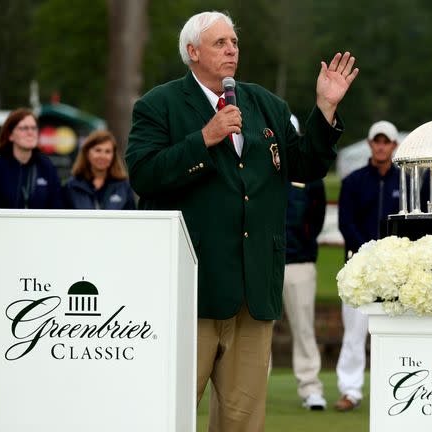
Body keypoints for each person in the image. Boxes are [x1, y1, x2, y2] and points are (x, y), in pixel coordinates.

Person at [125, 11, 357, 431]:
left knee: (242, 422)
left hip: (254, 291)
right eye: (220, 43)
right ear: (192, 52)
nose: (232, 49)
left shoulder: (266, 104)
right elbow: (143, 175)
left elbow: (304, 165)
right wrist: (204, 139)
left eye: (234, 42)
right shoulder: (159, 105)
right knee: (168, 415)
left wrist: (324, 109)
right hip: (191, 290)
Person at [334, 120, 400, 412]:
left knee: (396, 334)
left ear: (394, 146)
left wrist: (389, 255)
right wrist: (368, 252)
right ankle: (350, 391)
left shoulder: (408, 182)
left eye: (386, 141)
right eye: (377, 141)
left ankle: (396, 392)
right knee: (354, 333)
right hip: (359, 269)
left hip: (397, 269)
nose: (381, 146)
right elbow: (345, 223)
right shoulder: (353, 181)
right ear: (371, 144)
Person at [283, 178, 327, 410]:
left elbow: (316, 218)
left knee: (303, 328)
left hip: (300, 260)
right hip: (262, 260)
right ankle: (253, 389)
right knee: (255, 330)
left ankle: (311, 389)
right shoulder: (260, 161)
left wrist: (304, 241)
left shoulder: (311, 176)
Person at [0, 108, 63, 209]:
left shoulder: (46, 167)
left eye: (34, 128)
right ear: (10, 135)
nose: (30, 132)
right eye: (24, 128)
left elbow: (57, 207)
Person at [64, 130, 136, 210]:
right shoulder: (72, 186)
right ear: (87, 153)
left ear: (113, 156)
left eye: (107, 151)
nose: (102, 156)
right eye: (98, 150)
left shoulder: (123, 187)